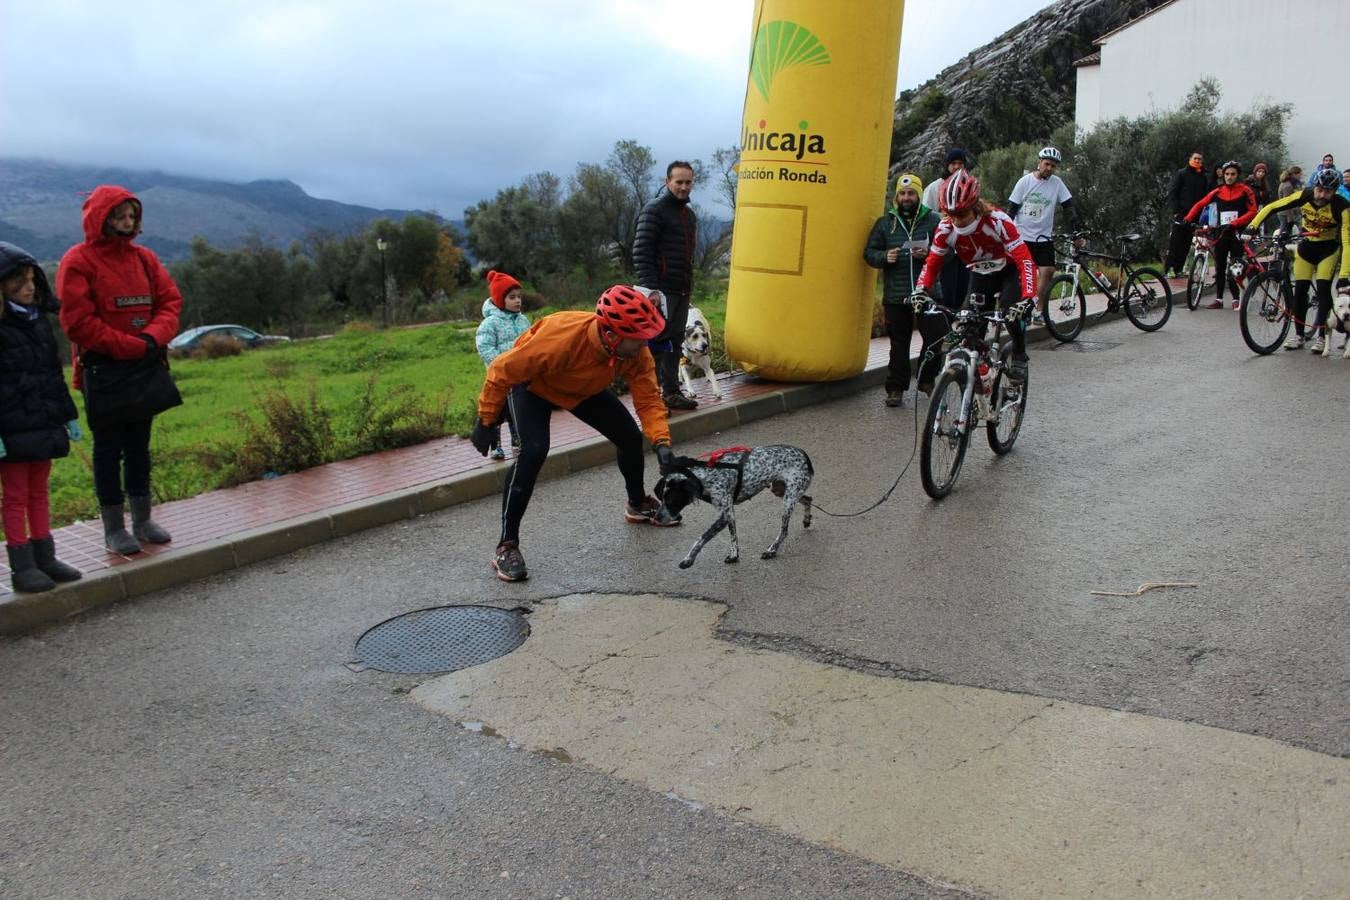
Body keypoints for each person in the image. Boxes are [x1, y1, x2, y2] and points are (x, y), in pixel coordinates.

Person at [468, 285, 679, 582]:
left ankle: (637, 503)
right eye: (638, 337)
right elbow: (500, 371)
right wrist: (487, 421)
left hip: (581, 388)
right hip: (533, 386)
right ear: (612, 335)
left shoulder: (634, 351)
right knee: (533, 451)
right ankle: (507, 545)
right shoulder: (560, 338)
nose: (645, 343)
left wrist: (662, 443)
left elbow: (647, 400)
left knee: (630, 437)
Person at [57, 185, 182, 555]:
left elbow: (170, 302)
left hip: (144, 363)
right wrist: (127, 345)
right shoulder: (78, 261)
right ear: (102, 218)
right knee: (108, 450)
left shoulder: (145, 259)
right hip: (105, 370)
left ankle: (143, 520)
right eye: (119, 216)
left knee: (139, 446)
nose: (127, 223)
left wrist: (150, 338)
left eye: (131, 216)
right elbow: (78, 322)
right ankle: (114, 527)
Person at [0, 243, 83, 592]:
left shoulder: (39, 323)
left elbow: (53, 375)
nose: (29, 287)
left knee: (39, 491)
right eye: (19, 281)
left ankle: (45, 557)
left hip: (43, 422)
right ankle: (22, 566)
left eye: (32, 280)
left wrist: (68, 416)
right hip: (11, 428)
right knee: (15, 496)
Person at [914, 169, 1037, 383]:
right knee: (968, 327)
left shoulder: (998, 221)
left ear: (974, 206)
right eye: (950, 214)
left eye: (962, 214)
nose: (957, 221)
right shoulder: (945, 228)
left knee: (1012, 312)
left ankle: (1019, 352)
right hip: (980, 274)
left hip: (1008, 271)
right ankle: (978, 380)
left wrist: (1029, 298)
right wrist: (920, 289)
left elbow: (1024, 260)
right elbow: (932, 263)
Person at [1247, 167, 1350, 353]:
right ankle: (1299, 335)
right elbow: (1272, 207)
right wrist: (1252, 226)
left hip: (1328, 250)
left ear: (1335, 191)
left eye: (1327, 192)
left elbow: (1347, 242)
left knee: (1323, 289)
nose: (1321, 195)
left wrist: (1344, 275)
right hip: (1307, 246)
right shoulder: (1305, 195)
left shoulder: (1342, 206)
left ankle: (1322, 336)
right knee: (1300, 290)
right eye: (1319, 189)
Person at [864, 173, 944, 407]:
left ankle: (927, 379)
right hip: (896, 295)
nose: (906, 198)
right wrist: (884, 257)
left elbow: (949, 252)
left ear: (918, 195)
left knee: (935, 338)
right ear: (897, 197)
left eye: (911, 193)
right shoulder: (885, 223)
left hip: (928, 292)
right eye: (902, 193)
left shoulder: (934, 220)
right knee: (899, 344)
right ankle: (895, 388)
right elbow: (869, 252)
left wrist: (929, 255)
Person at [633, 161, 698, 411]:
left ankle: (671, 393)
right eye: (679, 182)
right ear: (667, 182)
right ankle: (651, 400)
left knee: (675, 342)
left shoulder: (689, 216)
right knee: (655, 345)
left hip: (682, 289)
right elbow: (641, 251)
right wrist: (651, 290)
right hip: (660, 291)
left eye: (688, 182)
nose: (683, 187)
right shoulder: (654, 211)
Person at [1006, 146, 1082, 318]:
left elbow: (1069, 208)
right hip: (1022, 237)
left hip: (1043, 237)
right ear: (1039, 162)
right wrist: (1005, 236)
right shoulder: (1024, 182)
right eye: (1047, 164)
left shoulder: (1057, 183)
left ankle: (1038, 310)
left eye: (1053, 166)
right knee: (1022, 275)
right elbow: (1011, 210)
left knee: (1048, 271)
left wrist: (1076, 232)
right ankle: (1016, 309)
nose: (1049, 168)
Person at [1184, 160, 1258, 309]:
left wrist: (1236, 222)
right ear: (1223, 175)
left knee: (1235, 265)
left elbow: (1253, 211)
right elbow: (1200, 204)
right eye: (1227, 174)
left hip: (1237, 233)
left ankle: (1236, 298)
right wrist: (1188, 218)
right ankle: (1219, 299)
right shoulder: (1218, 191)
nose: (1229, 177)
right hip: (1221, 233)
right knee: (1220, 265)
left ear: (1237, 175)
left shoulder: (1245, 190)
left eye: (1233, 174)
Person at [474, 270, 529, 460]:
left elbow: (530, 342)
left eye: (519, 297)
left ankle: (517, 441)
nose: (517, 301)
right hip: (499, 377)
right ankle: (495, 446)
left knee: (517, 411)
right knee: (498, 412)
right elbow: (484, 347)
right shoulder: (490, 324)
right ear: (499, 299)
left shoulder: (523, 320)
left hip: (519, 376)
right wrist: (501, 364)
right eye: (512, 297)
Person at [923, 148, 974, 312]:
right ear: (947, 165)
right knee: (947, 292)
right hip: (944, 246)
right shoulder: (934, 187)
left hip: (965, 245)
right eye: (953, 163)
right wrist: (945, 216)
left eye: (960, 163)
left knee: (963, 290)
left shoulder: (968, 186)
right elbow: (926, 215)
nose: (957, 167)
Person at [1165, 151, 1213, 277]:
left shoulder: (1204, 176)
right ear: (1190, 159)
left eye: (1200, 159)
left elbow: (1206, 196)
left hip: (1195, 215)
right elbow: (1173, 192)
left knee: (1186, 243)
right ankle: (1169, 269)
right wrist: (1175, 211)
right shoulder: (1182, 173)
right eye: (1195, 158)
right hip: (1181, 213)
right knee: (1176, 242)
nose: (1197, 161)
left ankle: (1178, 269)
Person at [1277, 166, 1304, 231]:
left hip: (1293, 212)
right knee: (1285, 232)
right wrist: (1290, 219)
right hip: (1286, 214)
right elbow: (1287, 202)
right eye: (1300, 174)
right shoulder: (1288, 186)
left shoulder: (1293, 184)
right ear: (1294, 174)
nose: (1300, 176)